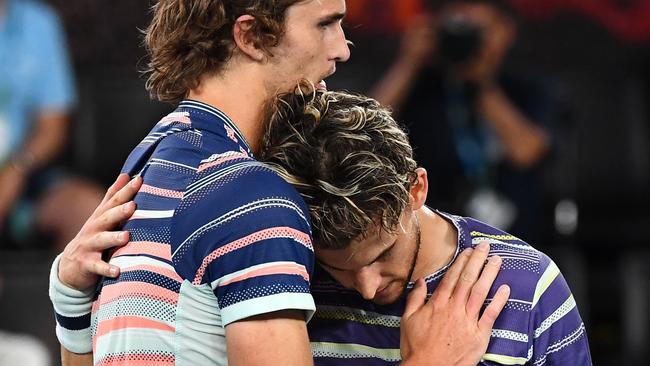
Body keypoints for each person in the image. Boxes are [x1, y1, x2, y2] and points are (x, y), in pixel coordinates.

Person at [48, 1, 508, 365]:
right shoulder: (254, 197)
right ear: (250, 36)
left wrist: (70, 300)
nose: (343, 49)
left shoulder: (150, 156)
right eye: (325, 23)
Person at [259, 87, 590, 365]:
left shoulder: (530, 287)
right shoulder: (288, 282)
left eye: (382, 255)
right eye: (337, 267)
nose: (367, 288)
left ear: (415, 189)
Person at [371, 0, 552, 243]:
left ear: (505, 32)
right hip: (429, 228)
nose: (467, 41)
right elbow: (366, 131)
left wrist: (481, 84)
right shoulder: (419, 88)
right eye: (459, 30)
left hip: (516, 231)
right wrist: (408, 63)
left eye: (479, 31)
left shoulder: (529, 89)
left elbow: (527, 152)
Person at [0, 0, 103, 251]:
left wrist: (17, 168)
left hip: (24, 176)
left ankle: (64, 290)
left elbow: (53, 126)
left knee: (90, 213)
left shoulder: (38, 22)